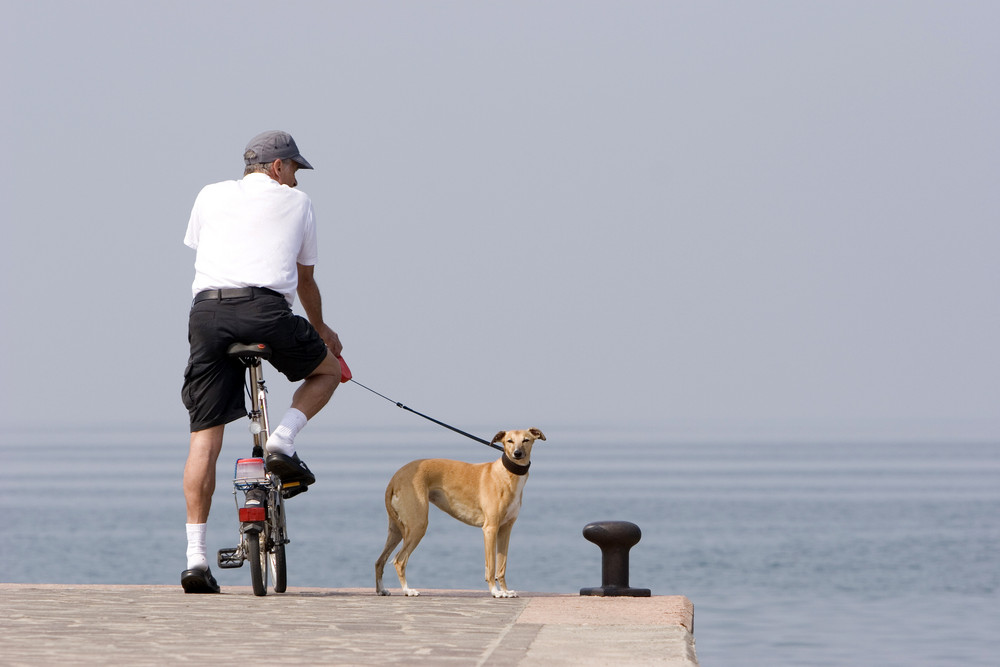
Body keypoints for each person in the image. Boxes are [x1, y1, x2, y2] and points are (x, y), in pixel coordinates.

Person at [180, 130, 344, 593]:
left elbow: (204, 248)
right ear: (276, 167)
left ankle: (195, 559)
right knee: (326, 370)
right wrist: (324, 331)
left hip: (208, 314)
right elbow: (306, 282)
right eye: (293, 168)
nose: (295, 179)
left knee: (203, 439)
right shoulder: (300, 203)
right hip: (266, 311)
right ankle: (281, 440)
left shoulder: (209, 194)